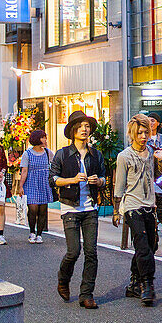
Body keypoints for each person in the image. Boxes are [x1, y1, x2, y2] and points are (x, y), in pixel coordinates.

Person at [49, 112, 106, 308]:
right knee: (74, 251)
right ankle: (63, 279)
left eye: (87, 126)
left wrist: (98, 181)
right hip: (70, 208)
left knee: (92, 252)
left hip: (90, 208)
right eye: (80, 126)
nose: (84, 129)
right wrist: (72, 179)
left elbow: (104, 178)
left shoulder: (95, 154)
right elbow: (53, 178)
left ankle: (86, 294)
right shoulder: (63, 154)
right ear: (73, 130)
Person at [114, 113, 162, 307]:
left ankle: (134, 282)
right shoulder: (124, 156)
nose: (143, 136)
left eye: (146, 132)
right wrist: (116, 210)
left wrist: (160, 162)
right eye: (139, 133)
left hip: (149, 205)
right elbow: (119, 185)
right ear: (132, 134)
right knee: (143, 246)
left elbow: (159, 179)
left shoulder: (152, 152)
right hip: (132, 206)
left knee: (151, 246)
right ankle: (147, 285)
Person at [18, 129, 53, 244]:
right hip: (31, 183)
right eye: (43, 137)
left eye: (45, 137)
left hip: (44, 183)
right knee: (33, 209)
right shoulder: (27, 154)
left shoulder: (48, 152)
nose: (45, 140)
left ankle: (39, 234)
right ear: (37, 139)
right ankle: (32, 232)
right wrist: (21, 186)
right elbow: (24, 171)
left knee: (43, 210)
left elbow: (55, 166)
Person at [145, 112, 162, 227]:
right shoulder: (144, 139)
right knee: (149, 203)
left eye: (153, 120)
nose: (151, 123)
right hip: (148, 175)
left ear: (158, 123)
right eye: (149, 120)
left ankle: (159, 223)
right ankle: (152, 225)